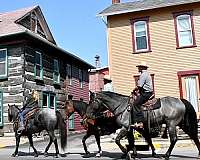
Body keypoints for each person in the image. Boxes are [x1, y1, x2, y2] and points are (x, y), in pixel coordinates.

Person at [131, 61, 153, 129]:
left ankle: (140, 122)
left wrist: (134, 90)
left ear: (142, 68)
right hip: (147, 92)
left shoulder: (143, 75)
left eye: (139, 67)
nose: (138, 68)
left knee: (135, 104)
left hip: (146, 93)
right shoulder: (146, 74)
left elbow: (139, 86)